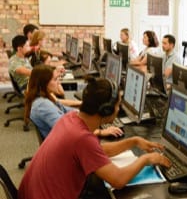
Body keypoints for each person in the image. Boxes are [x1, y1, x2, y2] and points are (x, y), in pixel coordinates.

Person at [18, 77, 171, 199]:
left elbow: (96, 151)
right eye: (117, 105)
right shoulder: (82, 138)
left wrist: (133, 141)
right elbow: (118, 180)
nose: (118, 109)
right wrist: (145, 159)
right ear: (106, 110)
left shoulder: (71, 118)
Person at [24, 64, 122, 138]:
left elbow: (68, 110)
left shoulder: (46, 98)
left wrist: (90, 110)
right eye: (55, 80)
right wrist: (100, 132)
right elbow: (68, 132)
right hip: (62, 147)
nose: (58, 82)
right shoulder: (42, 105)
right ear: (43, 84)